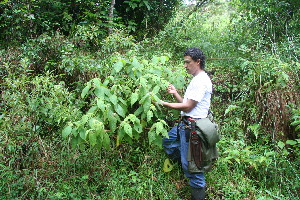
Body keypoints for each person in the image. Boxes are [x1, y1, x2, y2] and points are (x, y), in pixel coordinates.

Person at [160, 48, 212, 200]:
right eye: (184, 62)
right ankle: (184, 159)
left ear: (198, 61)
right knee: (168, 140)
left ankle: (190, 172)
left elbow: (188, 107)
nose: (185, 65)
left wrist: (164, 103)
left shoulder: (201, 81)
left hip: (193, 129)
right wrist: (175, 93)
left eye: (187, 62)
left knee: (194, 169)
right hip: (185, 125)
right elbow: (187, 104)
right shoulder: (196, 79)